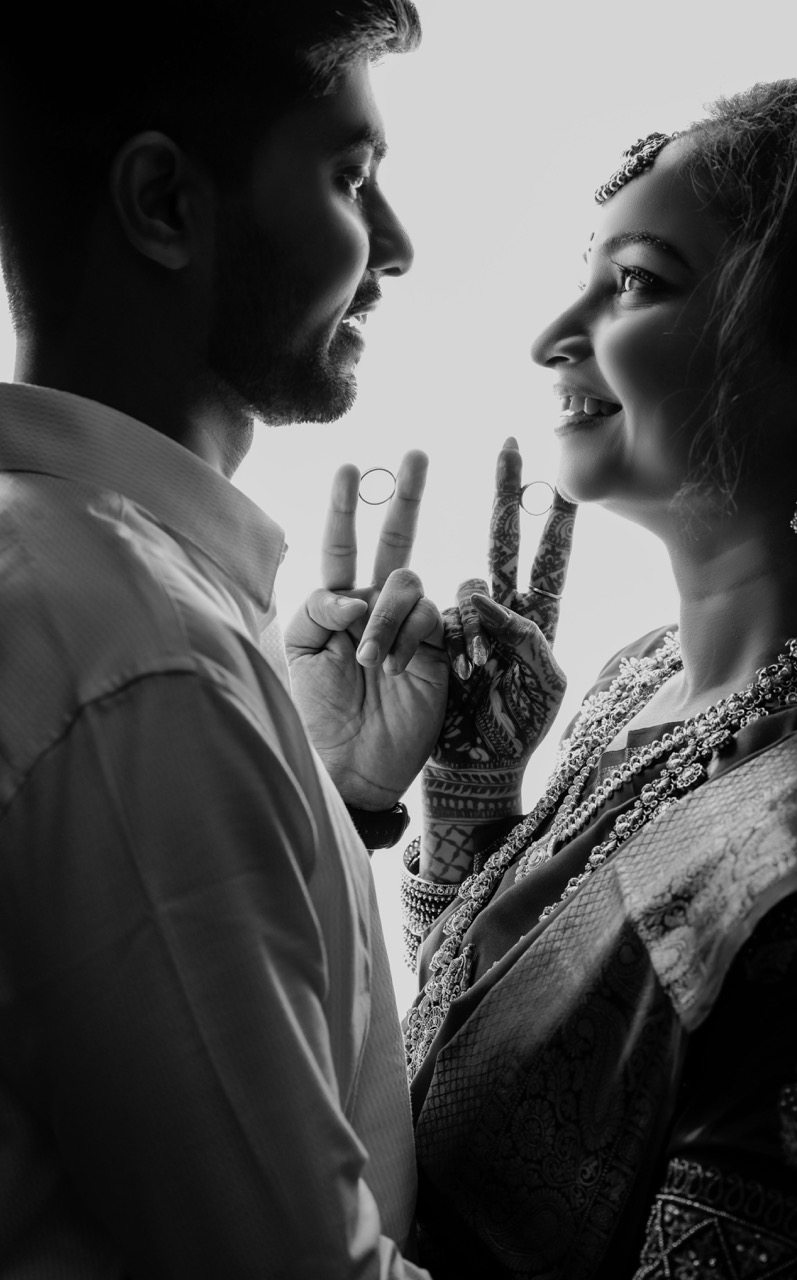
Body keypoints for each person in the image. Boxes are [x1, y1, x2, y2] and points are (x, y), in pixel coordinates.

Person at [289, 78, 797, 1278]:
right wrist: (454, 787)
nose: (555, 333)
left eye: (637, 280)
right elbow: (490, 1073)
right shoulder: (642, 677)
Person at [0, 2, 445, 1275]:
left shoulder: (81, 578)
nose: (397, 244)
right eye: (351, 176)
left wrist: (332, 792)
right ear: (165, 204)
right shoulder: (140, 658)